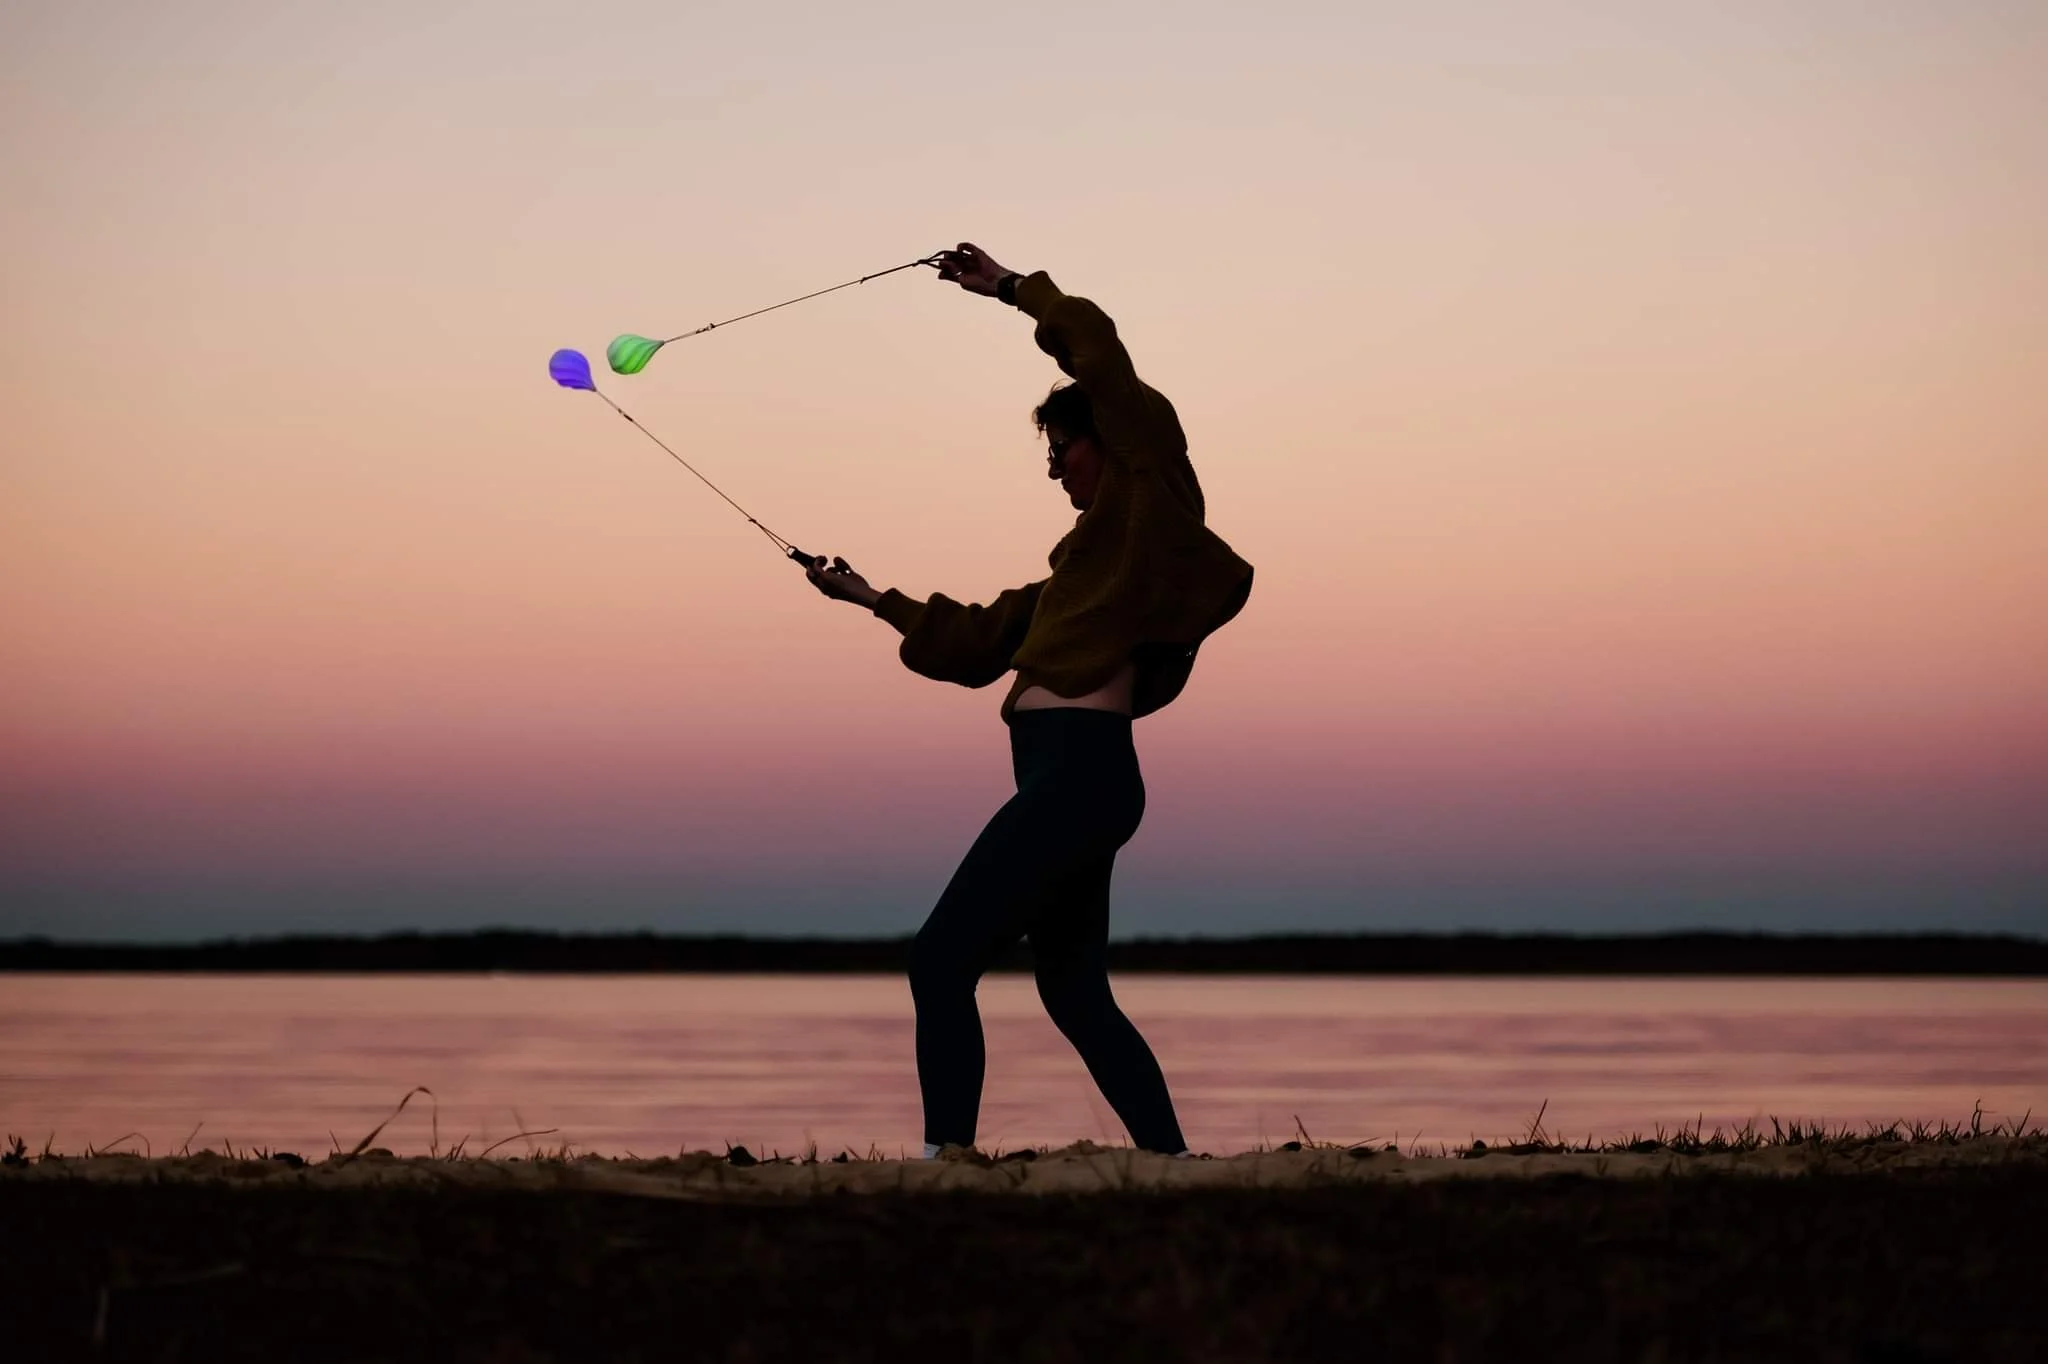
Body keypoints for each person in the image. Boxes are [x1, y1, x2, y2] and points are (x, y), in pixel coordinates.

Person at [805, 242, 1253, 1158]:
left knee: (938, 961)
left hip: (1080, 780)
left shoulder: (1150, 499)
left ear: (1107, 441)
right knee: (1075, 993)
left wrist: (1010, 288)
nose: (1054, 471)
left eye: (1061, 450)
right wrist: (867, 598)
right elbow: (972, 645)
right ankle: (1171, 1166)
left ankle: (947, 1161)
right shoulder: (1072, 579)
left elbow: (1101, 353)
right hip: (1071, 782)